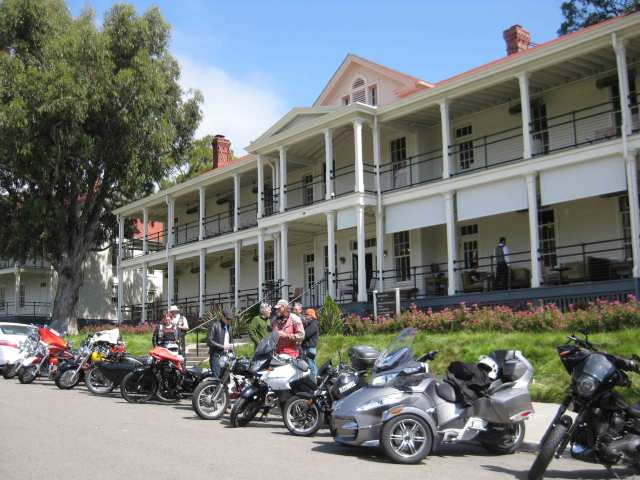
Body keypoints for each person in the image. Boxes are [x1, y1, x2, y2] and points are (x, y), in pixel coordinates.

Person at [207, 309, 233, 378]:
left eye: (230, 319)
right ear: (222, 317)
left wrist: (232, 350)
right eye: (227, 319)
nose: (229, 321)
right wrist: (222, 347)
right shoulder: (214, 325)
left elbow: (230, 341)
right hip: (216, 356)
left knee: (225, 379)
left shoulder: (229, 327)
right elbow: (209, 341)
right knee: (216, 378)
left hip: (226, 356)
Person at [301, 308, 319, 380]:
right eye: (305, 315)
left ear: (311, 316)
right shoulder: (308, 324)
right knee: (306, 365)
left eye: (306, 315)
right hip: (306, 348)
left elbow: (305, 335)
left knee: (311, 366)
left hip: (310, 348)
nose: (305, 316)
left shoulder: (314, 324)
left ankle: (314, 381)